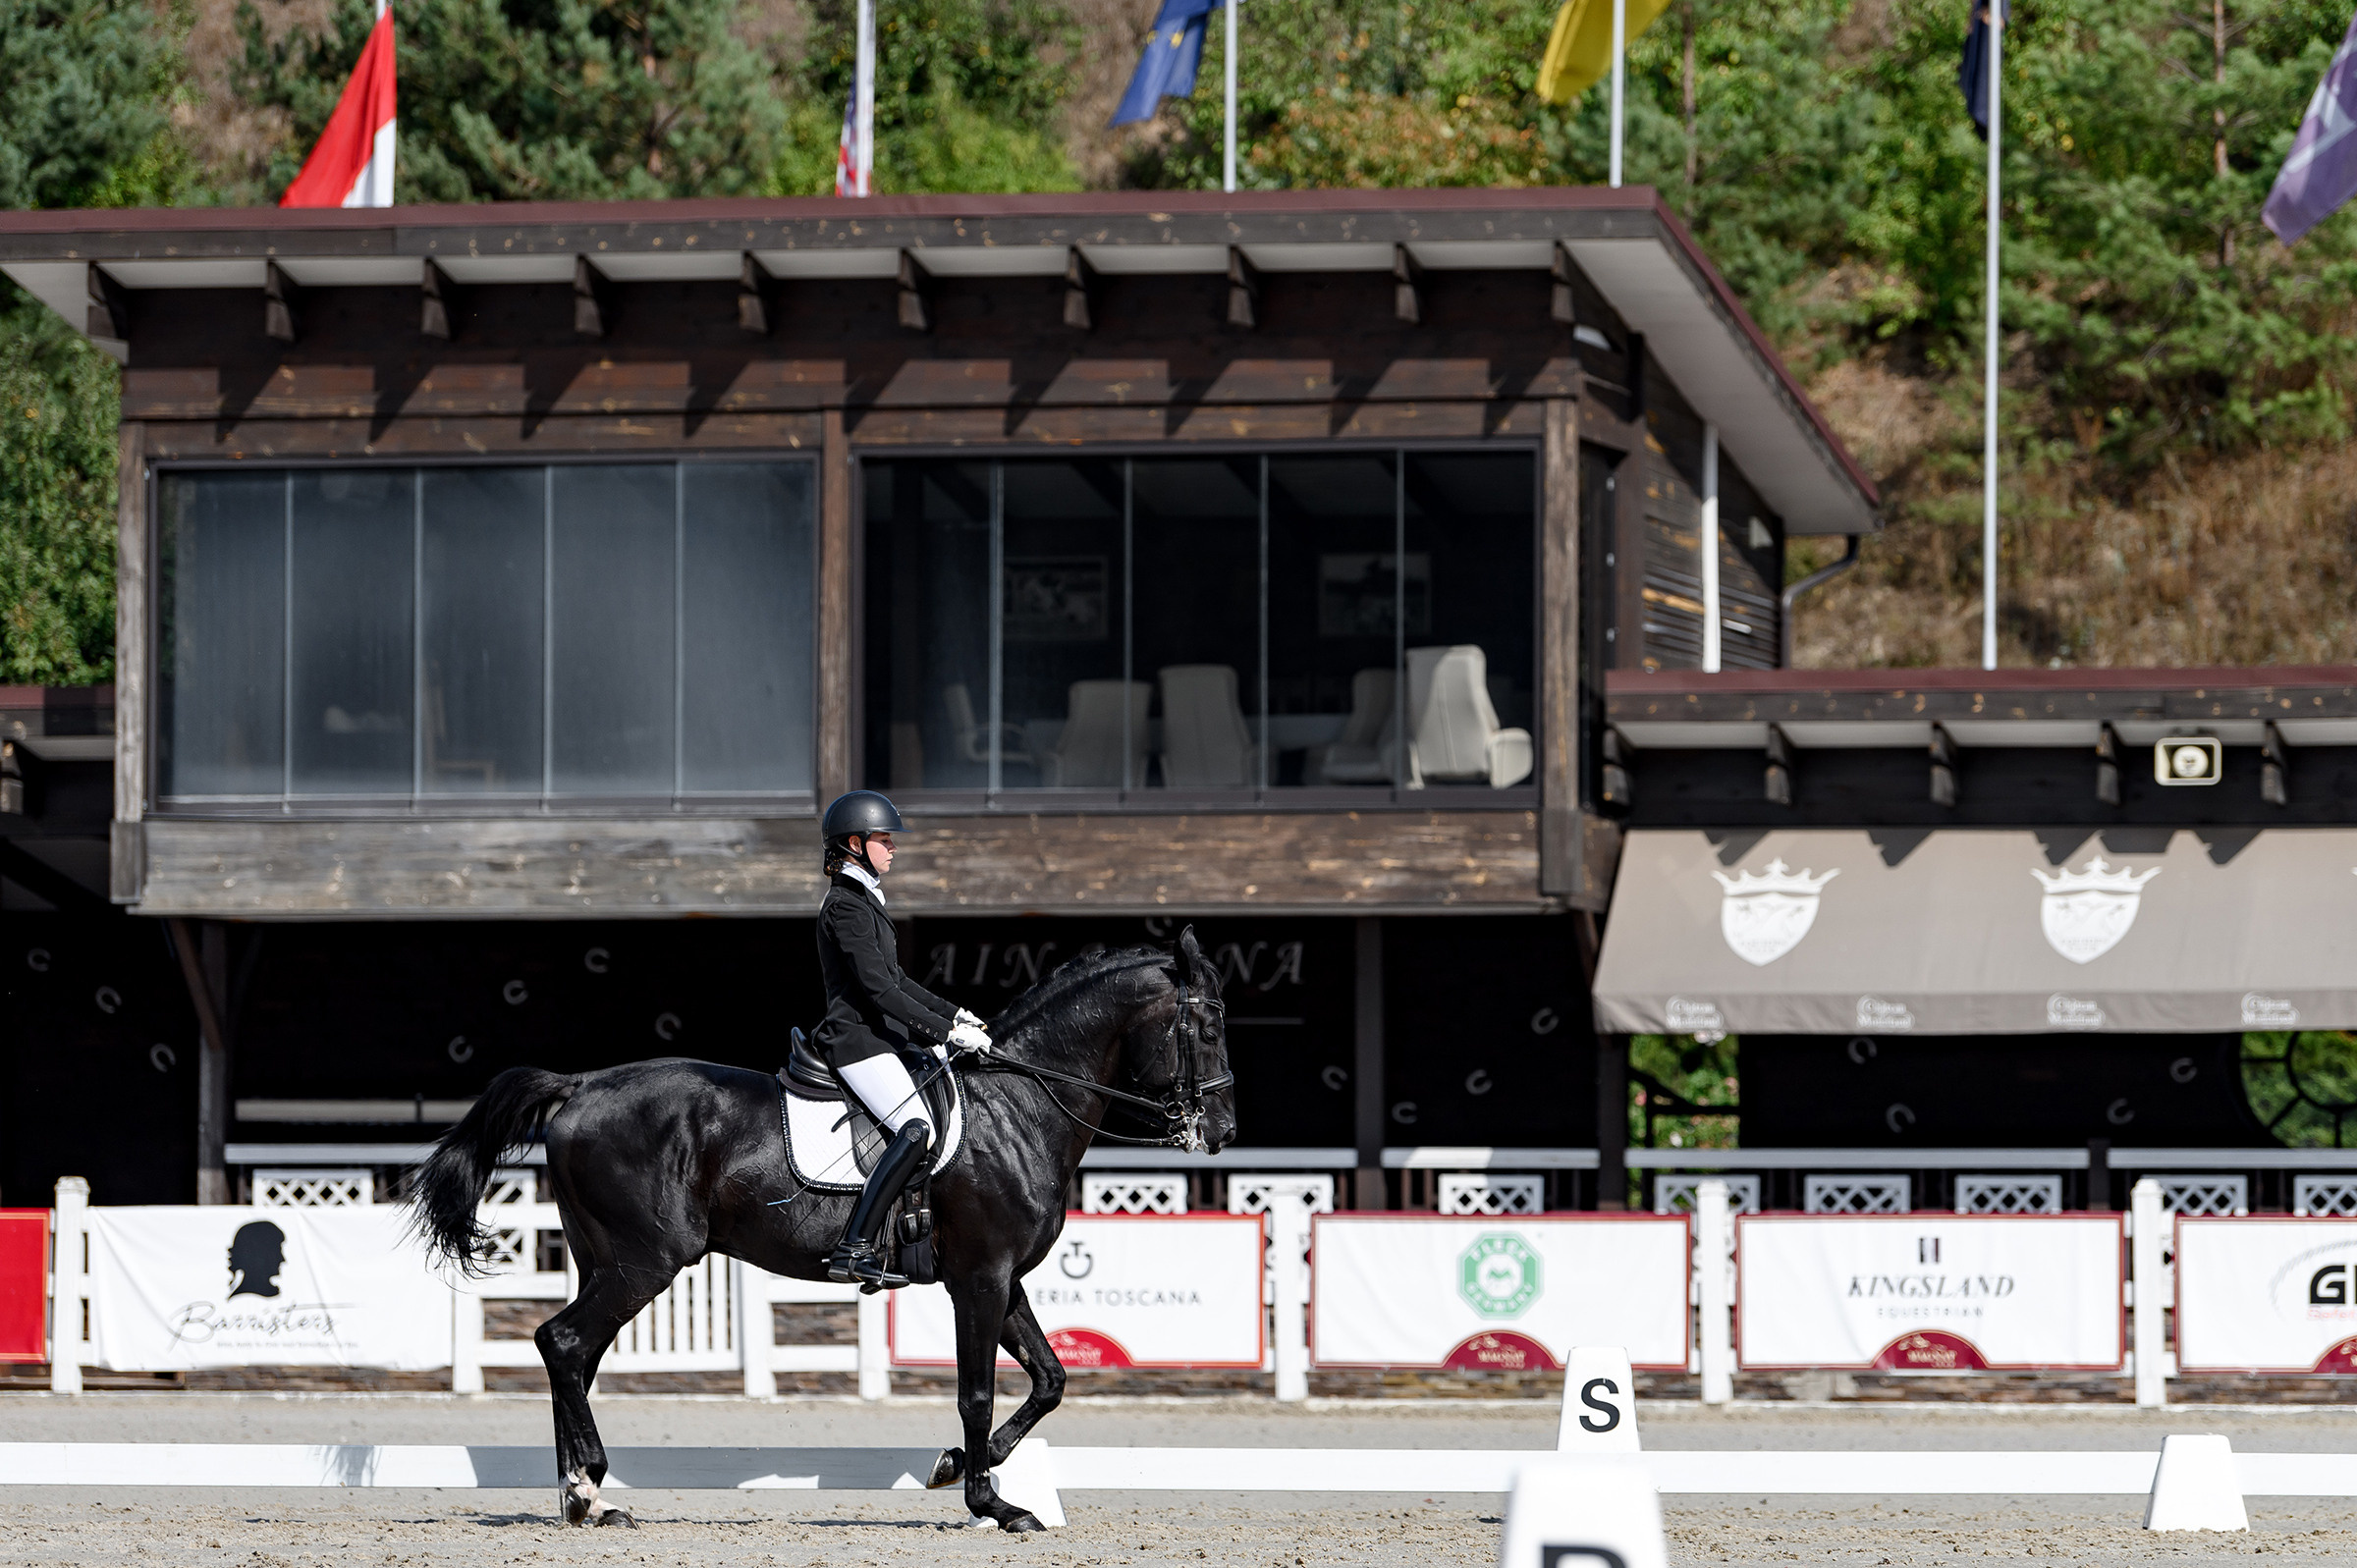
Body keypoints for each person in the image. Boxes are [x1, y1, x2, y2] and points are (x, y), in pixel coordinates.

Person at [814, 790, 992, 1290]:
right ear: (855, 843)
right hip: (857, 1041)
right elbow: (878, 990)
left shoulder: (866, 900)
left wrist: (956, 1014)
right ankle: (854, 1247)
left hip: (882, 1039)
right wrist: (944, 1033)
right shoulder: (845, 907)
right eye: (883, 839)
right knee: (916, 1129)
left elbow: (901, 981)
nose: (893, 848)